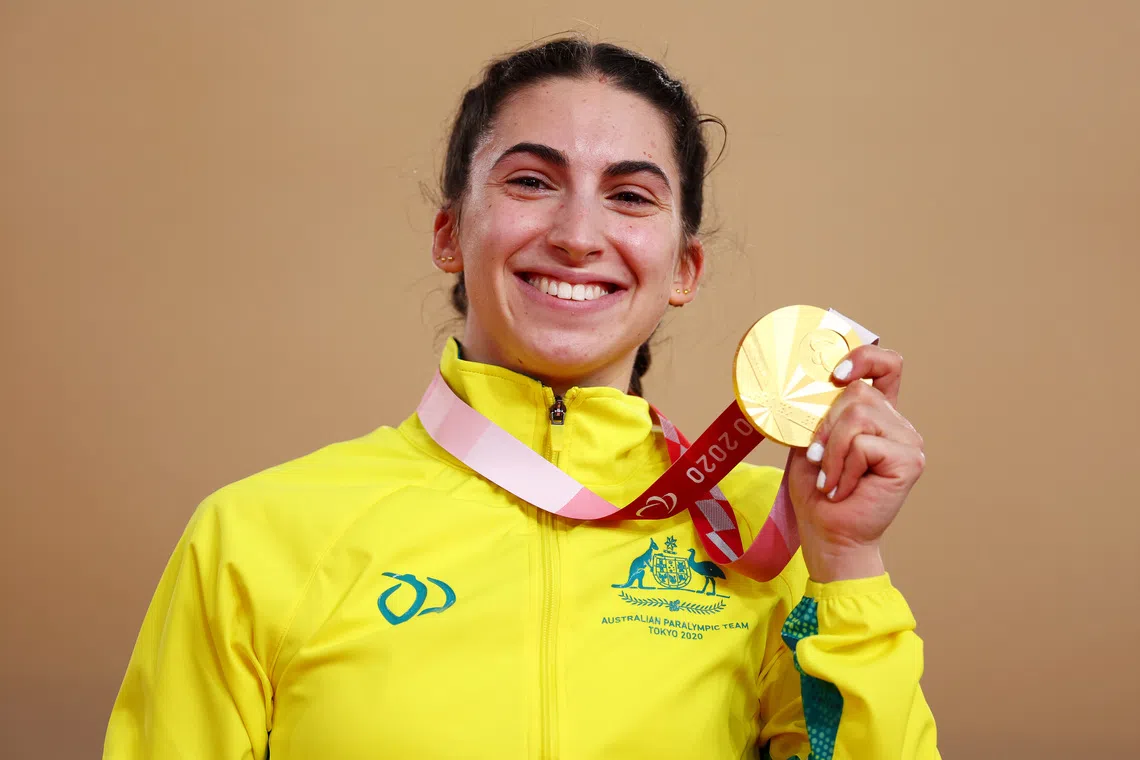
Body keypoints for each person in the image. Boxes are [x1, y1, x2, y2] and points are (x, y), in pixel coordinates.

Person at [104, 37, 939, 759]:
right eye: (532, 182)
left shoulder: (771, 539)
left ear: (684, 269)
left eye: (630, 195)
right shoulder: (258, 534)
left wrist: (845, 564)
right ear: (449, 234)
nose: (577, 236)